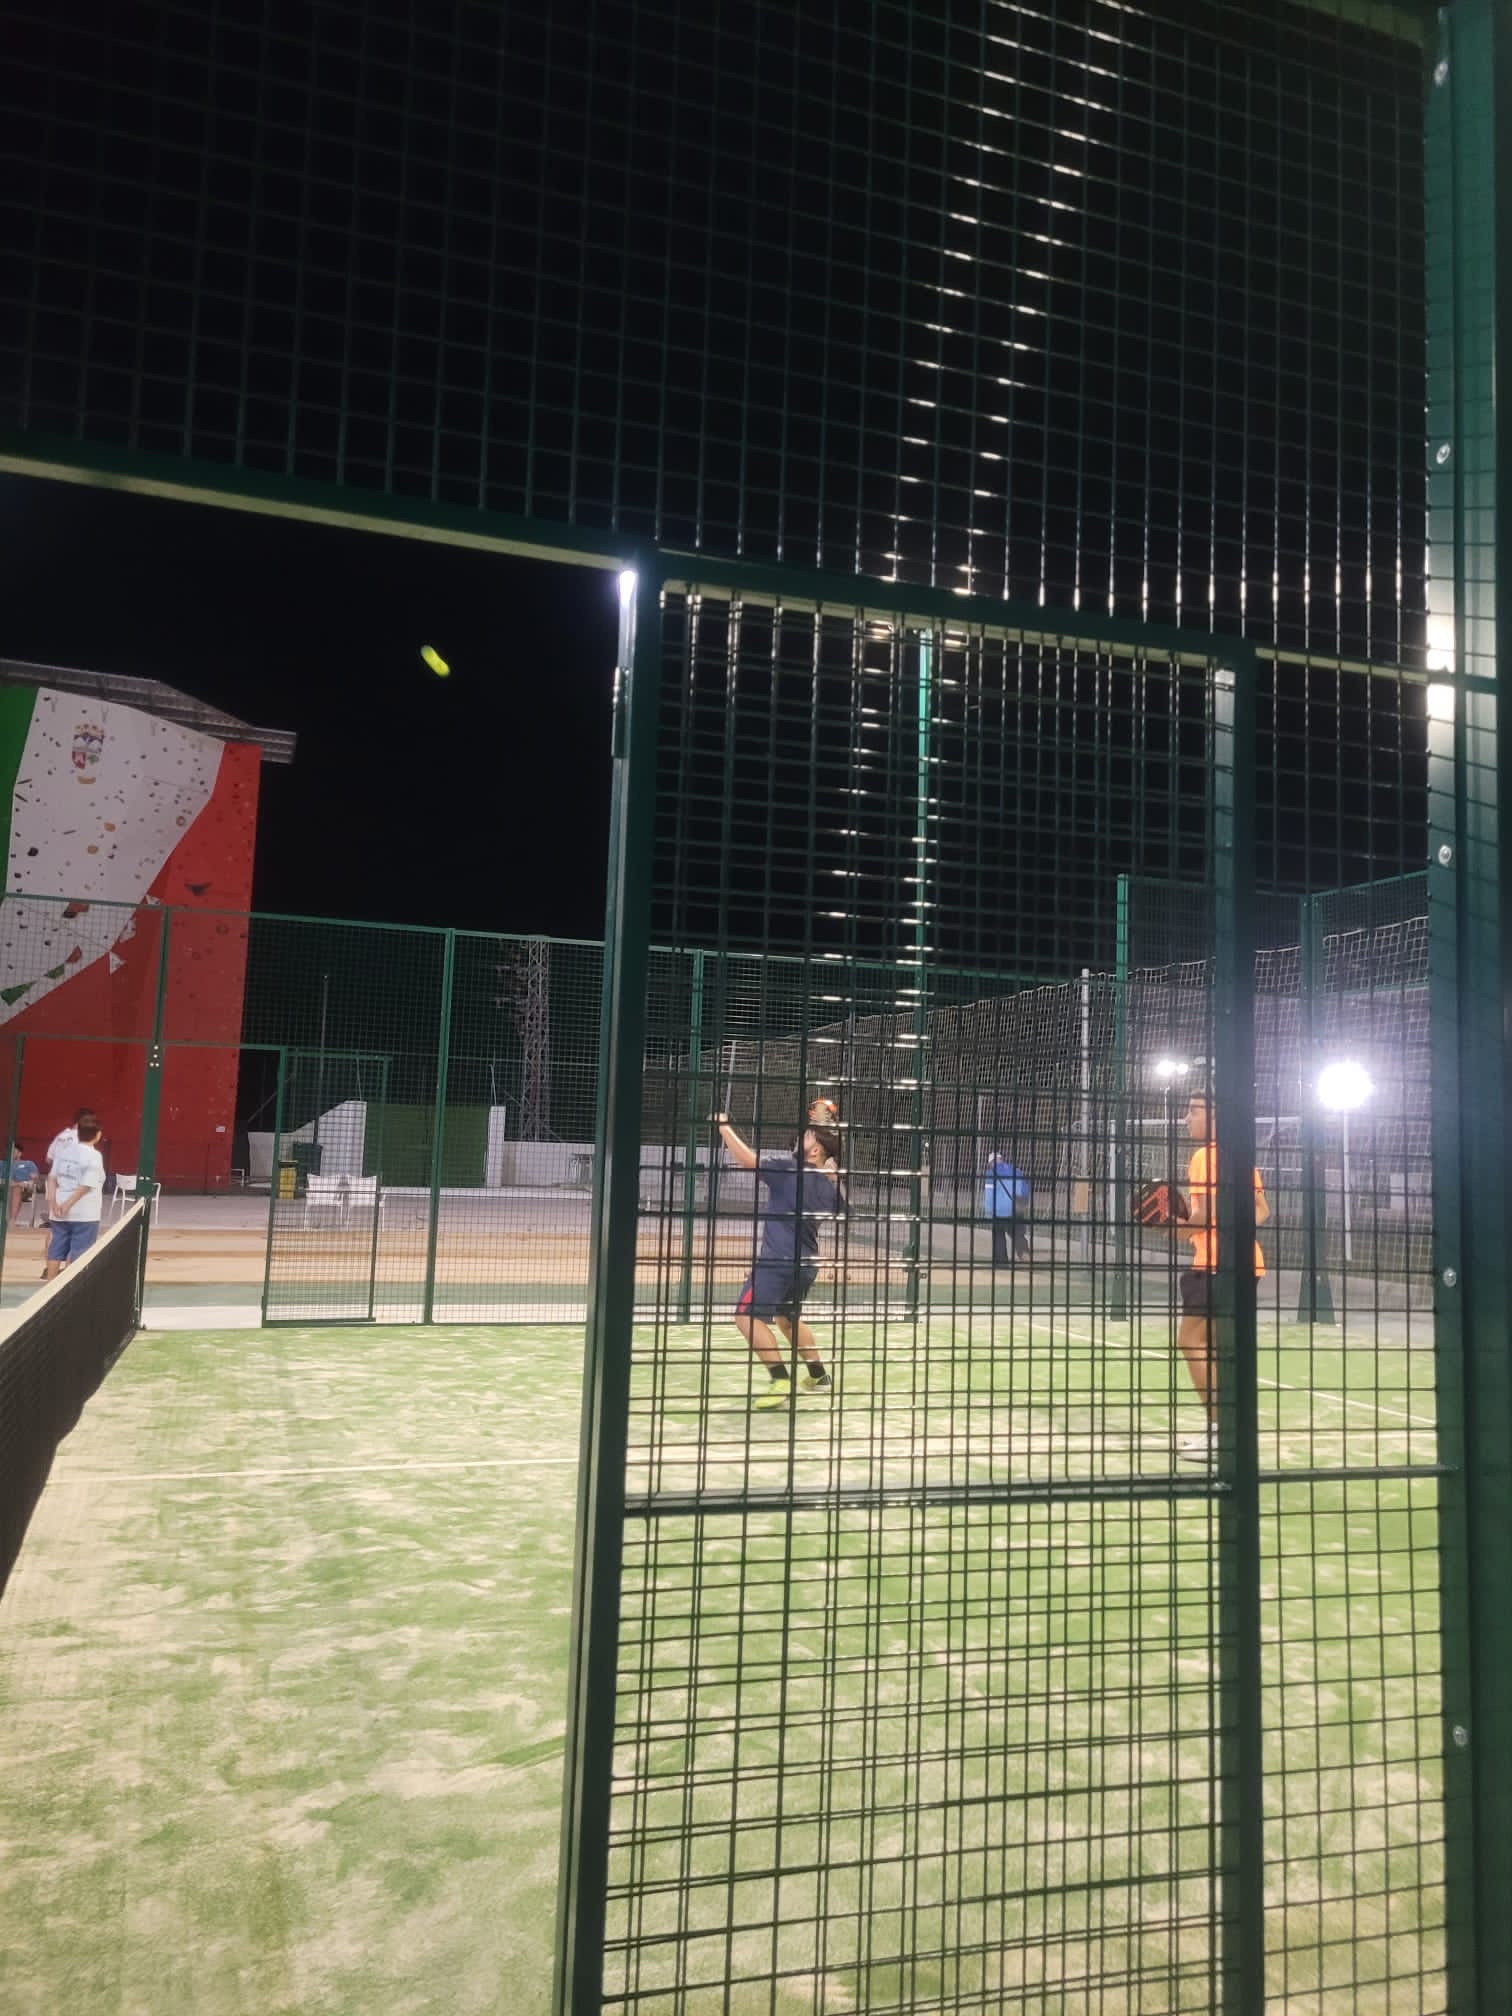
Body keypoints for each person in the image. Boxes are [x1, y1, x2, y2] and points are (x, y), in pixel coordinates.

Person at [715, 1110, 845, 1411]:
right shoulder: (828, 1185)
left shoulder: (789, 1168)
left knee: (745, 1316)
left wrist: (724, 1127)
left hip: (777, 1262)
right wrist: (832, 1175)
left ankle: (780, 1380)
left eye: (805, 1136)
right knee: (787, 1318)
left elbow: (747, 1160)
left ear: (815, 1150)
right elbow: (843, 1207)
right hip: (807, 1265)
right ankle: (819, 1376)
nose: (797, 1139)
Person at [1176, 1089, 1268, 1464]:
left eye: (1194, 1111)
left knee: (1190, 1341)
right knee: (1219, 1350)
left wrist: (1174, 1227)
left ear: (1216, 1117)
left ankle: (1222, 1430)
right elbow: (1261, 1209)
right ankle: (1227, 1428)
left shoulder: (1204, 1157)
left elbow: (1204, 1215)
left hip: (1216, 1266)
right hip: (1245, 1266)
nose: (1186, 1118)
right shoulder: (1238, 1156)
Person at [45, 1117, 107, 1277]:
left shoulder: (64, 1152)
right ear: (98, 1135)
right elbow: (85, 1185)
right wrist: (67, 1205)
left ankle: (50, 1283)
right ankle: (70, 1287)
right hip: (84, 1213)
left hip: (58, 1211)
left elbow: (51, 1178)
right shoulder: (94, 1155)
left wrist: (53, 1203)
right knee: (80, 1253)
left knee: (55, 1248)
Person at [983, 1151, 1031, 1266]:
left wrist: (988, 1212)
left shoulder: (991, 1173)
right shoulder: (1017, 1171)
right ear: (1002, 1159)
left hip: (999, 1210)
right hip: (1016, 1208)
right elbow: (1025, 1190)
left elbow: (989, 1195)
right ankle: (1025, 1256)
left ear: (991, 1163)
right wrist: (1023, 1205)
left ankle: (1001, 1262)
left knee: (998, 1235)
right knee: (1018, 1234)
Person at [0, 1142, 40, 1226]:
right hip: (4, 1187)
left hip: (23, 1189)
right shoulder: (2, 1164)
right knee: (13, 1186)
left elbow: (35, 1179)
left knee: (17, 1189)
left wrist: (29, 1182)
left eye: (13, 1151)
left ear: (19, 1153)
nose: (9, 1153)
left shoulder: (28, 1164)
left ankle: (12, 1220)